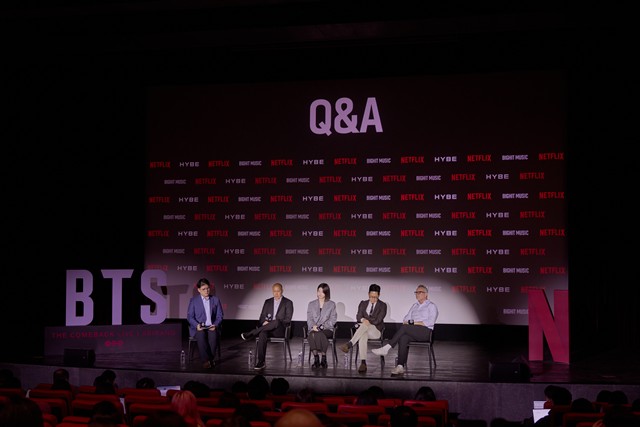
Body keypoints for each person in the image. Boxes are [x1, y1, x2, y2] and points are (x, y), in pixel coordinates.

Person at [372, 284, 438, 376]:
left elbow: (430, 322)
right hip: (414, 331)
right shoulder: (414, 306)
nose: (417, 294)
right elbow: (406, 319)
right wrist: (410, 323)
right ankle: (400, 366)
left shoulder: (431, 306)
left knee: (405, 327)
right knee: (403, 337)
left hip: (425, 332)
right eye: (416, 292)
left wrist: (414, 322)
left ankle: (387, 348)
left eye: (419, 292)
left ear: (426, 294)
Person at [240, 282, 294, 371]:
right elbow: (262, 317)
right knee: (262, 333)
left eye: (278, 291)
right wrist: (264, 322)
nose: (276, 293)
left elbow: (288, 320)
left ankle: (251, 333)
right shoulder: (268, 302)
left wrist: (275, 322)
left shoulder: (288, 302)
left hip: (280, 330)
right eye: (274, 291)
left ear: (282, 291)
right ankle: (261, 362)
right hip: (268, 329)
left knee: (276, 321)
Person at [339, 283, 387, 373]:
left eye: (375, 297)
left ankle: (350, 344)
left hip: (376, 331)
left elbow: (378, 320)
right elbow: (358, 317)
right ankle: (363, 363)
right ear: (368, 294)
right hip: (364, 330)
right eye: (371, 297)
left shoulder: (383, 305)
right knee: (363, 335)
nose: (373, 299)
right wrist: (363, 319)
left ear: (379, 295)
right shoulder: (363, 303)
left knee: (364, 325)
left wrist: (366, 320)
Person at [187, 277, 223, 369]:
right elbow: (190, 317)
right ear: (199, 290)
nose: (206, 291)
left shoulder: (215, 300)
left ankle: (210, 359)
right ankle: (205, 361)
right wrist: (196, 325)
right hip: (199, 327)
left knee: (213, 335)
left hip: (211, 326)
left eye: (208, 288)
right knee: (201, 334)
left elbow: (220, 315)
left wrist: (215, 325)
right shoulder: (194, 301)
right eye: (204, 289)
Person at [306, 282, 337, 369]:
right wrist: (313, 326)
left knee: (319, 334)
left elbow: (333, 319)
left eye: (322, 292)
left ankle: (323, 357)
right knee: (312, 334)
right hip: (314, 328)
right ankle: (316, 358)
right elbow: (309, 318)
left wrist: (322, 327)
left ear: (326, 293)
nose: (320, 293)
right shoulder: (311, 304)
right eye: (318, 291)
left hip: (327, 329)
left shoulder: (331, 304)